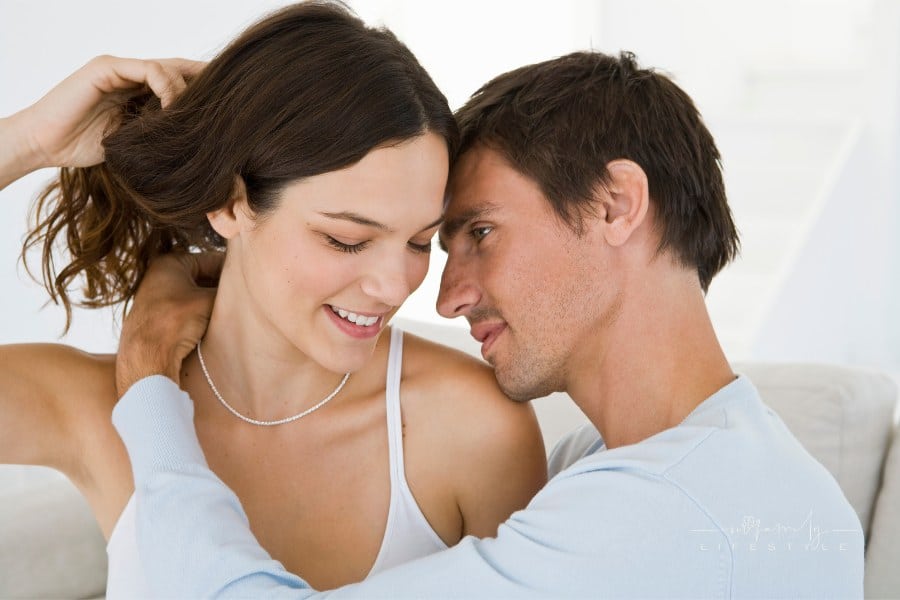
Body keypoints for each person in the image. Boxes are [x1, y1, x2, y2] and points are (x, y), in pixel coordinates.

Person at [109, 50, 865, 597]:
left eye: (480, 232)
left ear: (614, 205)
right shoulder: (690, 471)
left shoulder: (668, 510)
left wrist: (147, 384)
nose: (447, 297)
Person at [0, 2, 547, 595]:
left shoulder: (475, 429)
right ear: (230, 203)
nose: (396, 287)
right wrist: (28, 140)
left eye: (419, 241)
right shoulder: (98, 407)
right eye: (346, 239)